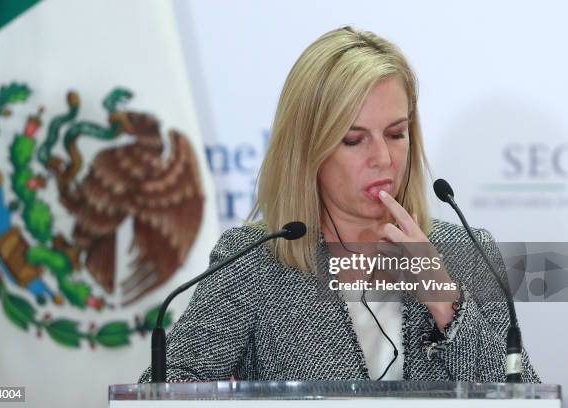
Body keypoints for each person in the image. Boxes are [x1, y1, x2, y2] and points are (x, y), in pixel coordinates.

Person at [138, 26, 539, 383]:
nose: (383, 157)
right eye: (354, 139)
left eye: (396, 134)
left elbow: (522, 395)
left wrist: (443, 300)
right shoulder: (254, 261)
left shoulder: (465, 252)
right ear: (309, 148)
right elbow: (167, 384)